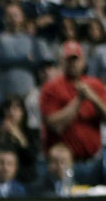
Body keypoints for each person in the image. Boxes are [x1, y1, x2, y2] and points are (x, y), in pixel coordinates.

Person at [39, 42, 106, 183]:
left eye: (76, 59)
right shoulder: (51, 88)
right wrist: (78, 100)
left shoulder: (96, 85)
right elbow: (55, 126)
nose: (73, 64)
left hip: (93, 162)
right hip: (61, 164)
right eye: (68, 60)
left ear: (83, 62)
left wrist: (93, 97)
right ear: (62, 62)